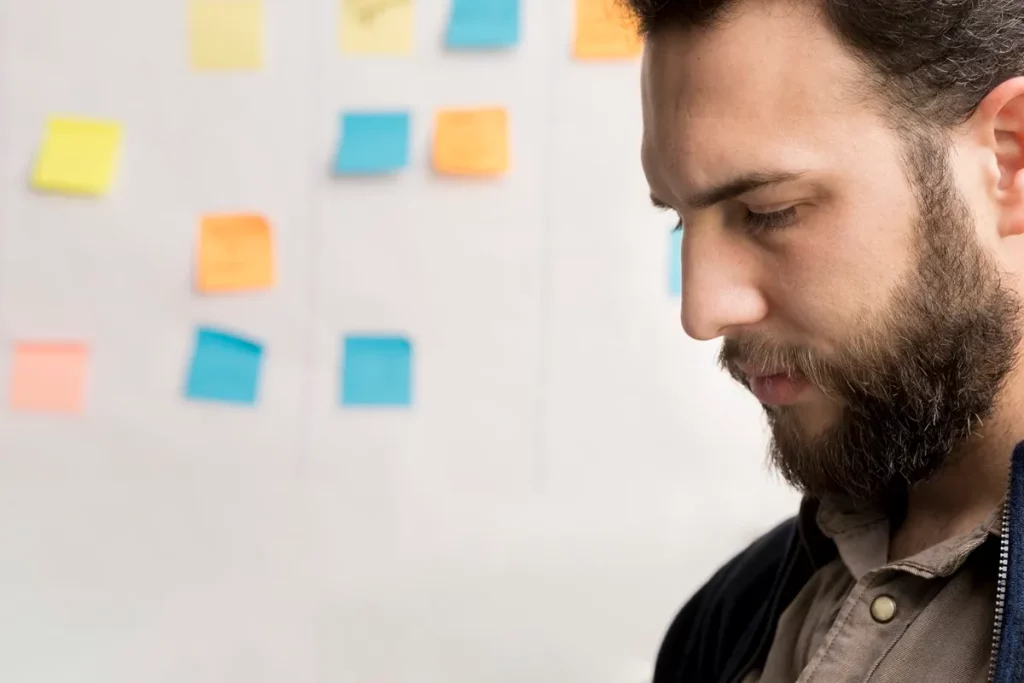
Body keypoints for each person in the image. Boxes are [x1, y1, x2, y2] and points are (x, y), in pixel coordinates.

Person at [625, 0, 1024, 681]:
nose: (702, 311)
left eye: (768, 213)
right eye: (680, 222)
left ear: (1009, 162)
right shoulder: (726, 620)